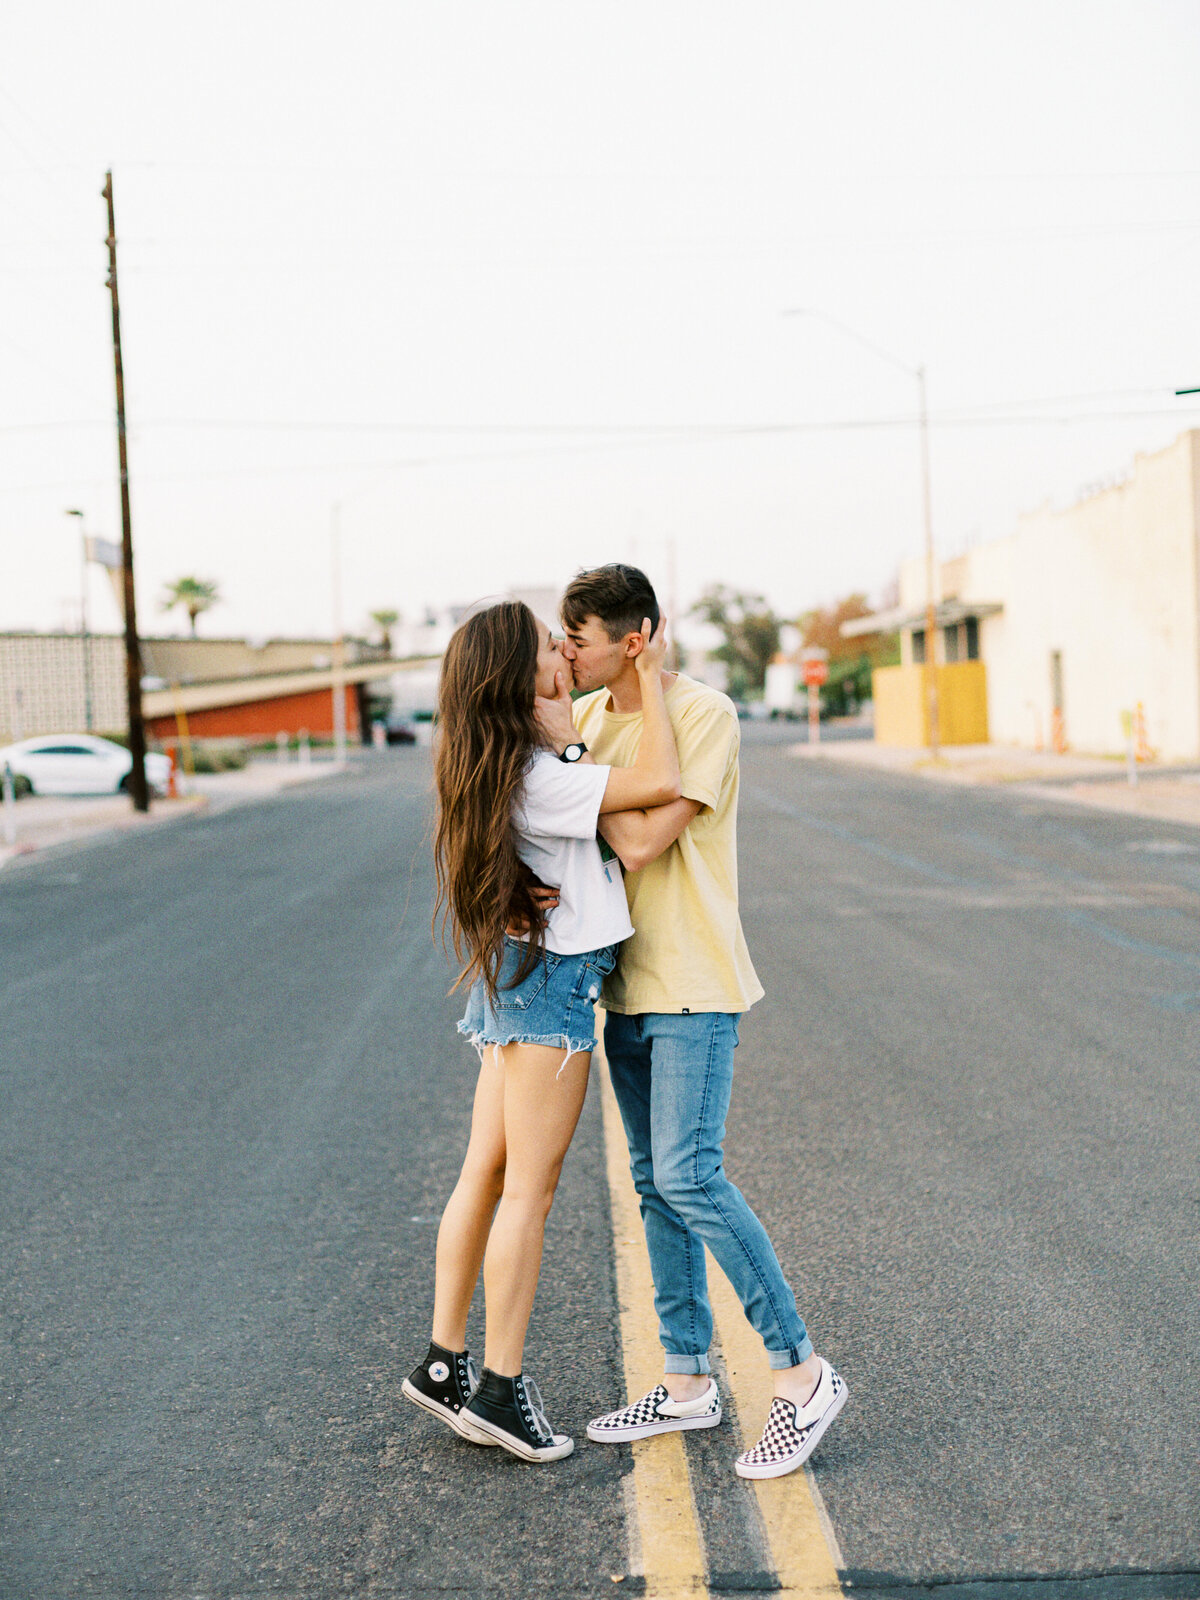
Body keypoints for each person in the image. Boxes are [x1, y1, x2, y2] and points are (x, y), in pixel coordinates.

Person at [539, 563, 847, 1481]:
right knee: (652, 1184)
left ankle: (803, 1375)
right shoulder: (588, 721)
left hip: (694, 981)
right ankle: (685, 1383)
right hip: (622, 984)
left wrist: (593, 751)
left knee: (689, 1173)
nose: (565, 651)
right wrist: (578, 748)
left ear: (634, 638)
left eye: (580, 637)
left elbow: (634, 842)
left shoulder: (705, 714)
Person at [403, 598, 680, 1464]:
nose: (563, 649)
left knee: (484, 1173)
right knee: (530, 1189)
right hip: (553, 988)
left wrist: (563, 732)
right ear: (521, 678)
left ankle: (444, 1366)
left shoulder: (501, 761)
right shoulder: (543, 771)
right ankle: (499, 1389)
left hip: (517, 978)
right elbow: (662, 782)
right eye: (547, 645)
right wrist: (654, 684)